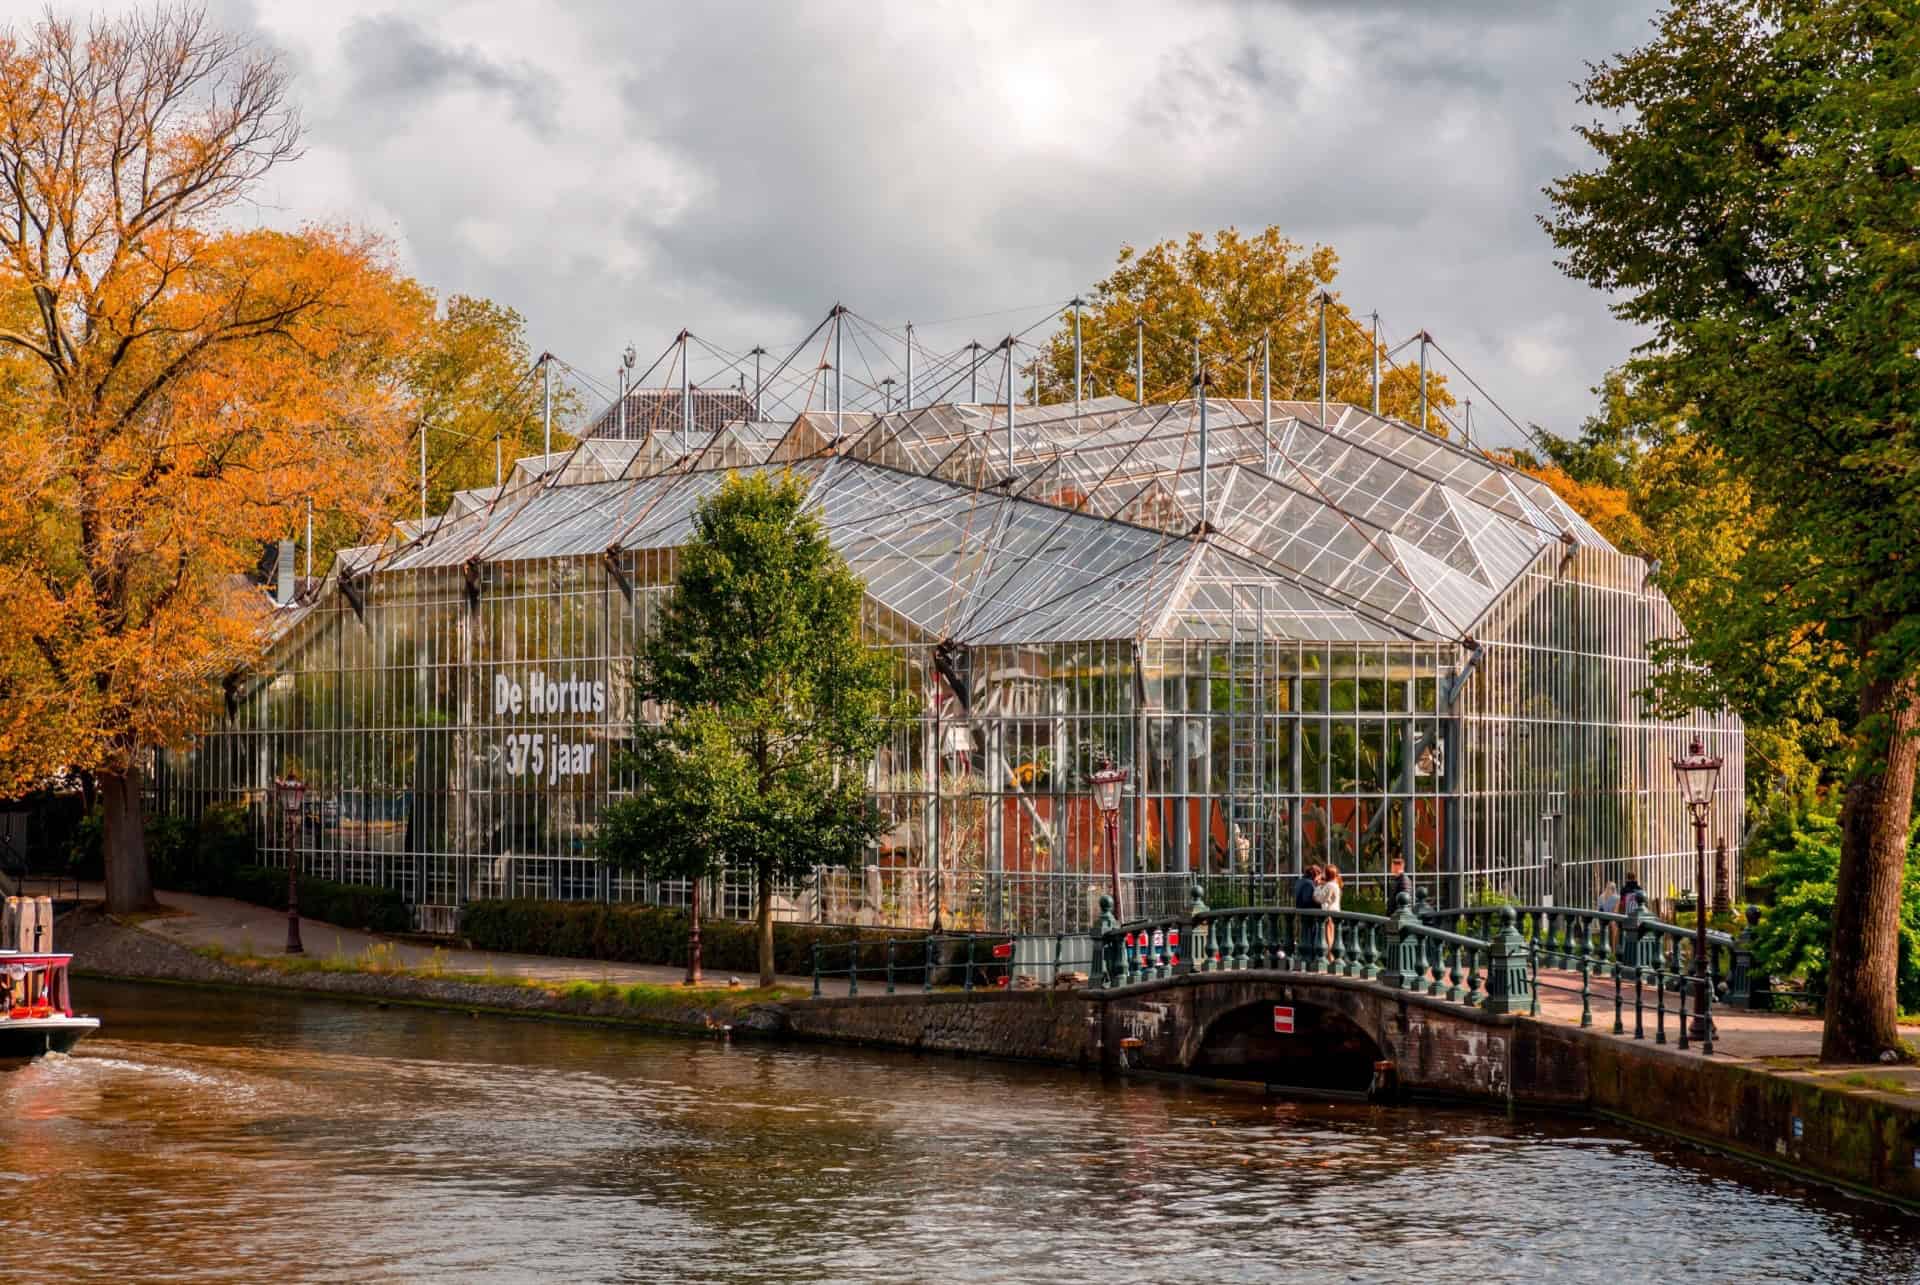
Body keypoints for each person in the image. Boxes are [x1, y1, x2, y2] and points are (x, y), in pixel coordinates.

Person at [1315, 863, 1343, 958]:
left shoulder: (1329, 885)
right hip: (1335, 913)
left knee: (1329, 937)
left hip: (1329, 914)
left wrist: (1318, 887)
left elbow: (1320, 899)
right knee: (1333, 936)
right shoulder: (1335, 884)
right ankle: (1333, 958)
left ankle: (1331, 958)